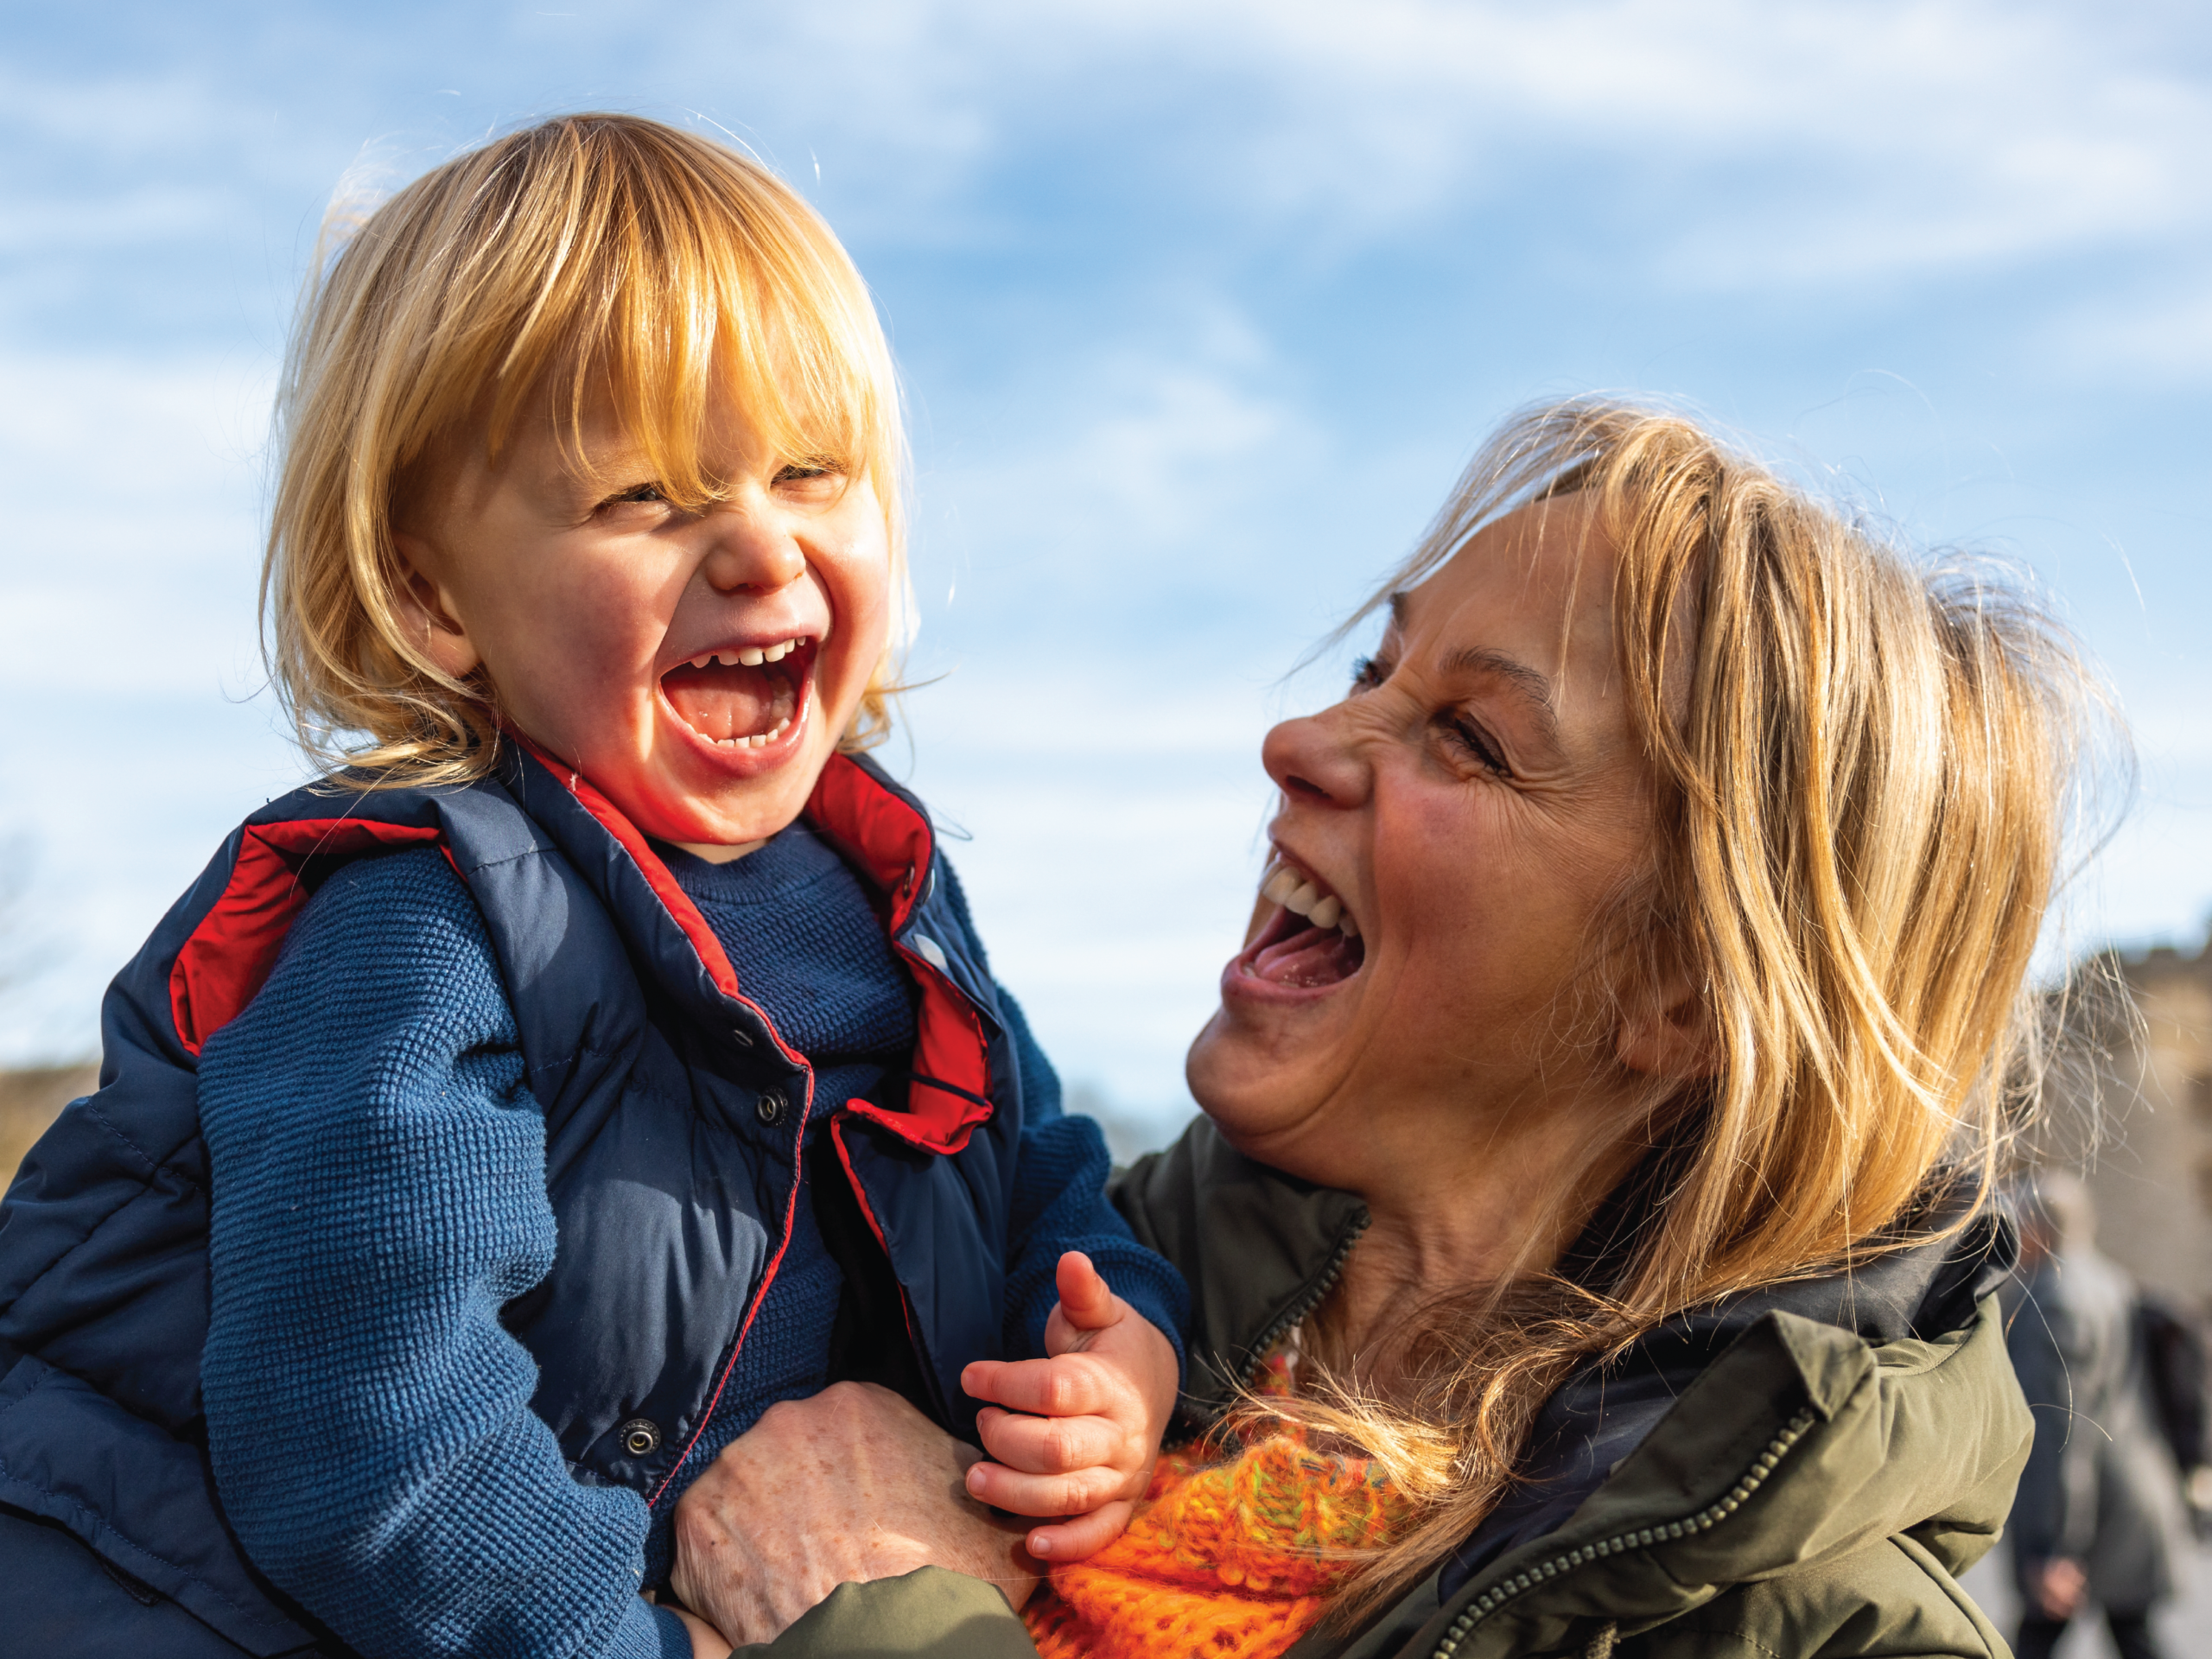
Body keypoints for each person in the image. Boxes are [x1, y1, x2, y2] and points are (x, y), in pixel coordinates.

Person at [654, 397, 2109, 1659]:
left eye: (1468, 738)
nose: (1294, 745)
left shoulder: (1842, 1633)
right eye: (1374, 674)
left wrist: (885, 1616)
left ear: (1688, 994)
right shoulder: (1055, 1292)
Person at [0, 115, 1187, 1659]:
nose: (761, 550)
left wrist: (1115, 1352)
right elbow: (368, 1437)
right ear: (433, 595)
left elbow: (1038, 1168)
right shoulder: (428, 925)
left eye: (811, 472)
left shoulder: (887, 897)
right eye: (645, 499)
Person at [2006, 1172, 2190, 1659]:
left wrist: (2051, 1546)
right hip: (2133, 1493)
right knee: (2132, 1636)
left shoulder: (2053, 1302)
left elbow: (2060, 1432)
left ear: (2036, 1229)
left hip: (2094, 1510)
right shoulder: (2111, 1281)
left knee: (2044, 1638)